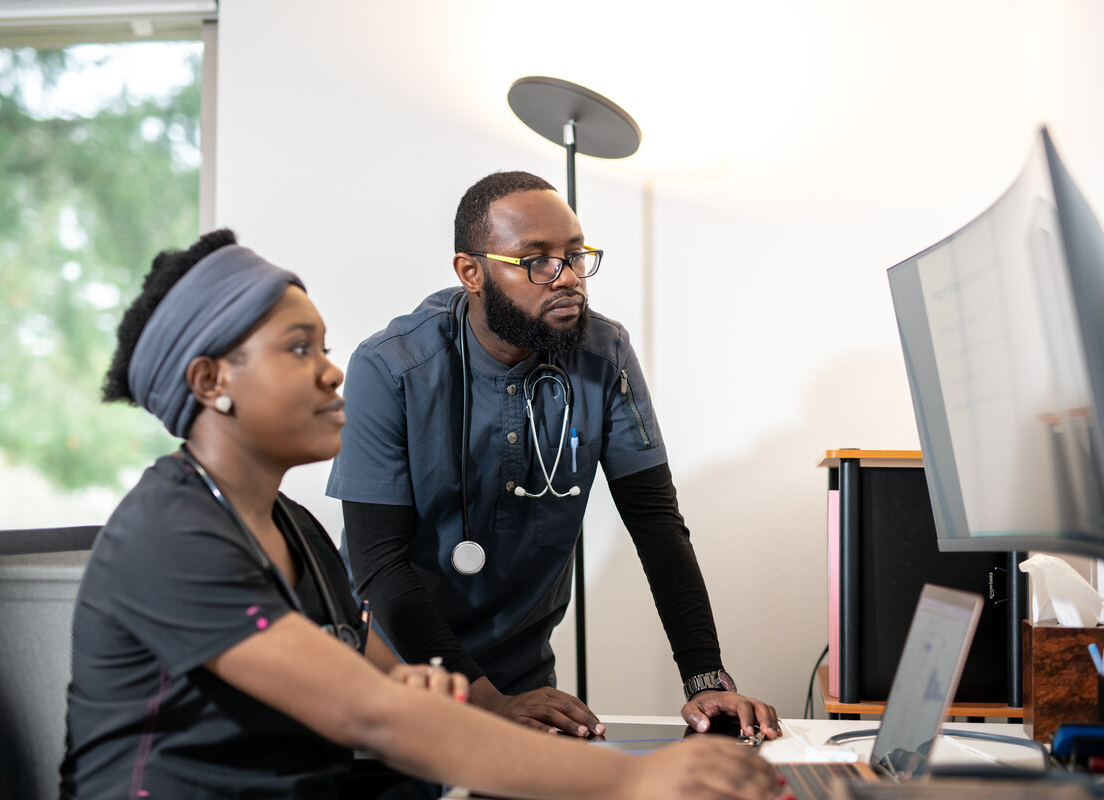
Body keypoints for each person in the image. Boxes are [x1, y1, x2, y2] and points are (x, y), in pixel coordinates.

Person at [58, 229, 787, 800]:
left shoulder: (296, 532)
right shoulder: (172, 532)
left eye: (324, 346)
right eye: (298, 347)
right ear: (211, 381)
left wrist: (437, 692)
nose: (333, 369)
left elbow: (383, 689)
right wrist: (635, 780)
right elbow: (369, 716)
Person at [327, 171, 781, 739]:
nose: (566, 278)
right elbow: (378, 566)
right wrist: (484, 702)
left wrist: (705, 679)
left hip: (519, 678)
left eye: (574, 254)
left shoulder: (604, 353)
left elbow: (656, 524)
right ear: (472, 272)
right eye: (536, 260)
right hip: (393, 672)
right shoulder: (390, 367)